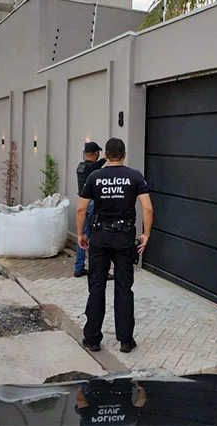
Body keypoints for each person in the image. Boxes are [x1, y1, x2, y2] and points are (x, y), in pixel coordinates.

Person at [76, 138, 153, 353]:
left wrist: (81, 234)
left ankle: (92, 339)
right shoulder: (135, 176)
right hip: (124, 238)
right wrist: (146, 234)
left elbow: (81, 209)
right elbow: (147, 208)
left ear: (106, 156)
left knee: (97, 287)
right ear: (124, 155)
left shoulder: (95, 176)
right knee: (124, 288)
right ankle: (126, 340)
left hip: (99, 237)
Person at [74, 141, 107, 278]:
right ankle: (98, 270)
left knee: (83, 236)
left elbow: (97, 164)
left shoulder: (81, 166)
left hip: (83, 203)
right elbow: (97, 167)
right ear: (95, 153)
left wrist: (105, 159)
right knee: (96, 237)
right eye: (98, 153)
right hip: (93, 204)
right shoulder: (93, 169)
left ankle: (79, 267)